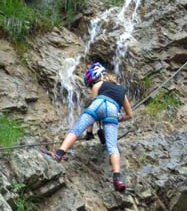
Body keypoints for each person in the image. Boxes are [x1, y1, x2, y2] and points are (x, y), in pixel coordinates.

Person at [50, 62, 133, 193]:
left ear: (96, 78)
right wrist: (118, 118)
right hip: (113, 110)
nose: (91, 85)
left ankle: (59, 154)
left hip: (99, 103)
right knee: (112, 146)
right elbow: (130, 115)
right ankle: (117, 178)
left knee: (76, 130)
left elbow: (94, 109)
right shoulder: (122, 90)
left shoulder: (98, 85)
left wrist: (89, 132)